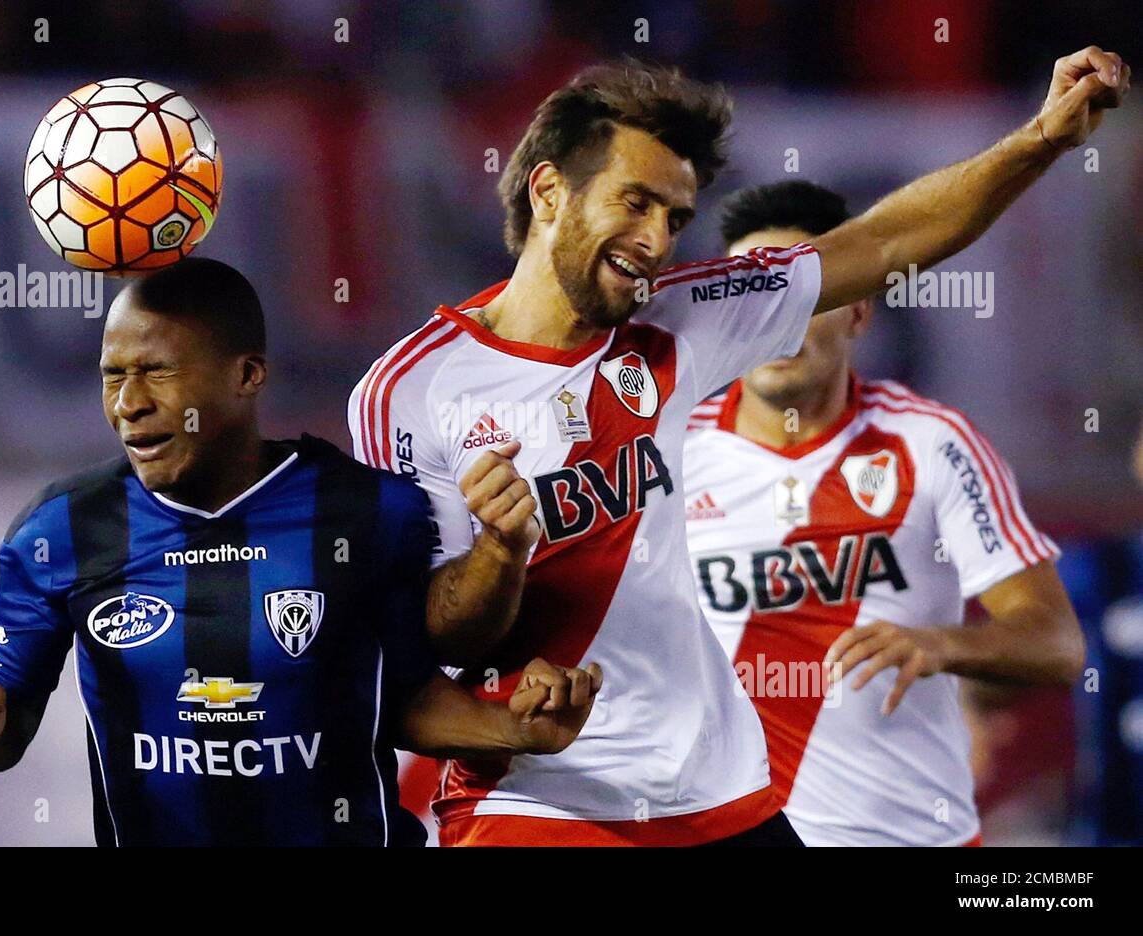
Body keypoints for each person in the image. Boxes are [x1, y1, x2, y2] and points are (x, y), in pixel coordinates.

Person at [350, 50, 1127, 846]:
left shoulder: (686, 317)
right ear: (549, 190)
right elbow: (436, 638)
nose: (656, 240)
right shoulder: (411, 390)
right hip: (540, 794)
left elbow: (887, 240)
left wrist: (1041, 138)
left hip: (722, 796)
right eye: (637, 203)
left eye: (676, 217)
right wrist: (501, 554)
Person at [0, 258, 600, 846]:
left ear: (247, 375)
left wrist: (517, 730)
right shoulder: (60, 531)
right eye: (112, 375)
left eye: (156, 373)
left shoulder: (371, 512)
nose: (128, 403)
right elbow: (4, 724)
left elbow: (403, 700)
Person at [683, 180, 1083, 846]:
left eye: (801, 299)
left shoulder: (931, 443)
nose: (773, 324)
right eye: (752, 298)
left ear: (859, 313)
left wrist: (941, 644)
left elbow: (1057, 644)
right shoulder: (670, 456)